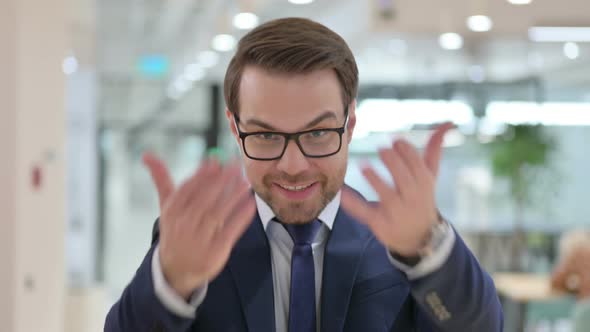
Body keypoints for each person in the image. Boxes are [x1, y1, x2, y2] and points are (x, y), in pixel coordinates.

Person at [105, 17, 503, 331]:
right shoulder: (197, 240)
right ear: (234, 127)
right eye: (264, 135)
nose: (292, 165)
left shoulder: (405, 240)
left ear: (349, 127)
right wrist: (172, 285)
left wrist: (425, 248)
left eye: (316, 133)